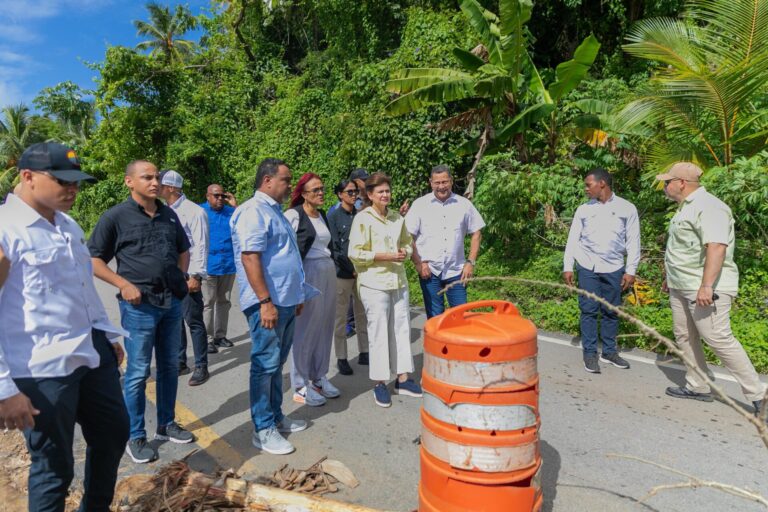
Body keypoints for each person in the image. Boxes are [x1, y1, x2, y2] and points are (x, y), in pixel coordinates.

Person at [0, 142, 129, 511]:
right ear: (27, 176)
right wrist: (4, 389)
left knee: (113, 435)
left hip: (90, 353)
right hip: (41, 369)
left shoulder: (67, 224)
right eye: (62, 181)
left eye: (76, 182)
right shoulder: (6, 230)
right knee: (54, 467)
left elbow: (82, 288)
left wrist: (103, 333)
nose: (71, 189)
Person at [89, 160, 195, 464]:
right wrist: (123, 284)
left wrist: (181, 276)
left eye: (156, 177)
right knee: (137, 373)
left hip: (171, 303)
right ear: (129, 182)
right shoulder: (115, 218)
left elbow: (183, 249)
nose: (154, 182)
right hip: (139, 308)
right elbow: (94, 260)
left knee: (169, 367)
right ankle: (135, 435)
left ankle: (166, 424)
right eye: (146, 177)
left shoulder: (167, 215)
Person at [658, 162, 766, 417]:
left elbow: (716, 247)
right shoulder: (685, 208)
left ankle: (759, 396)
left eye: (667, 182)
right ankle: (697, 385)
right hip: (681, 284)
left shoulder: (710, 206)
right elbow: (684, 248)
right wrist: (669, 277)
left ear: (681, 183)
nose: (664, 186)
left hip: (704, 287)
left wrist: (707, 285)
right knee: (684, 335)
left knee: (718, 338)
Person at [230, 158, 315, 455]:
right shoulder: (252, 212)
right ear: (267, 180)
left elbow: (285, 258)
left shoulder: (274, 212)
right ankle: (262, 429)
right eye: (286, 179)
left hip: (286, 302)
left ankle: (276, 417)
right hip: (267, 303)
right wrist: (265, 301)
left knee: (276, 364)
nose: (290, 185)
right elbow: (250, 258)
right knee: (264, 365)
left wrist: (297, 295)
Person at [349, 172, 422, 408]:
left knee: (401, 328)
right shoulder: (362, 219)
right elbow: (355, 253)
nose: (385, 195)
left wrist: (405, 253)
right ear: (369, 195)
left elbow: (407, 243)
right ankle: (379, 382)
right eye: (380, 192)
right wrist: (383, 256)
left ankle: (403, 377)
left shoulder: (396, 219)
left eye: (387, 191)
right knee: (379, 331)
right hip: (373, 283)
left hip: (398, 281)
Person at [563, 168, 640, 374]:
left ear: (602, 184)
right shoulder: (583, 210)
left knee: (611, 311)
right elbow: (573, 239)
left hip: (614, 267)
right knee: (588, 310)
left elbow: (633, 241)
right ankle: (590, 353)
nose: (585, 189)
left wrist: (630, 270)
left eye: (589, 185)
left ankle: (609, 351)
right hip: (587, 266)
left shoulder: (627, 208)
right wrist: (568, 266)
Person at [284, 173, 340, 406]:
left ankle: (319, 376)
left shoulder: (323, 215)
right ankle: (300, 384)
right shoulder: (293, 215)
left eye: (322, 189)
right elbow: (286, 251)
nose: (320, 193)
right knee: (305, 329)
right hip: (308, 273)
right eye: (315, 190)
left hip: (327, 272)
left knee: (324, 327)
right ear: (303, 193)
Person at [405, 164, 485, 318]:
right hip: (430, 272)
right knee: (435, 318)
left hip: (456, 272)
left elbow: (477, 232)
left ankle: (459, 343)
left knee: (461, 316)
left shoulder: (464, 204)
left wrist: (470, 262)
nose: (441, 186)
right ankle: (438, 343)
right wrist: (418, 263)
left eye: (445, 182)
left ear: (451, 181)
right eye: (437, 183)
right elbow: (409, 237)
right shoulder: (420, 205)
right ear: (430, 182)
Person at [159, 170, 210, 386]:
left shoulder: (194, 211)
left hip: (188, 275)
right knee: (175, 320)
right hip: (170, 276)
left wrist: (196, 276)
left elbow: (201, 245)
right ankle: (181, 361)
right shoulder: (163, 211)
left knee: (194, 321)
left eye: (159, 183)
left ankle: (201, 365)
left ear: (170, 187)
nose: (155, 186)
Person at [327, 179, 369, 376]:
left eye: (355, 192)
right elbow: (335, 248)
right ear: (340, 194)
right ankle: (342, 357)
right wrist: (351, 269)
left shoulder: (361, 216)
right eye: (350, 192)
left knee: (362, 314)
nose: (354, 195)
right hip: (343, 273)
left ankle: (365, 351)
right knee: (341, 317)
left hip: (361, 272)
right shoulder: (334, 216)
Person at [201, 184, 237, 354]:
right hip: (208, 265)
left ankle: (220, 335)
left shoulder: (231, 212)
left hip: (228, 264)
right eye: (216, 196)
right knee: (208, 303)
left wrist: (235, 205)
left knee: (224, 302)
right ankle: (207, 339)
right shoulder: (200, 212)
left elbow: (246, 223)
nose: (220, 199)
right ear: (207, 196)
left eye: (222, 195)